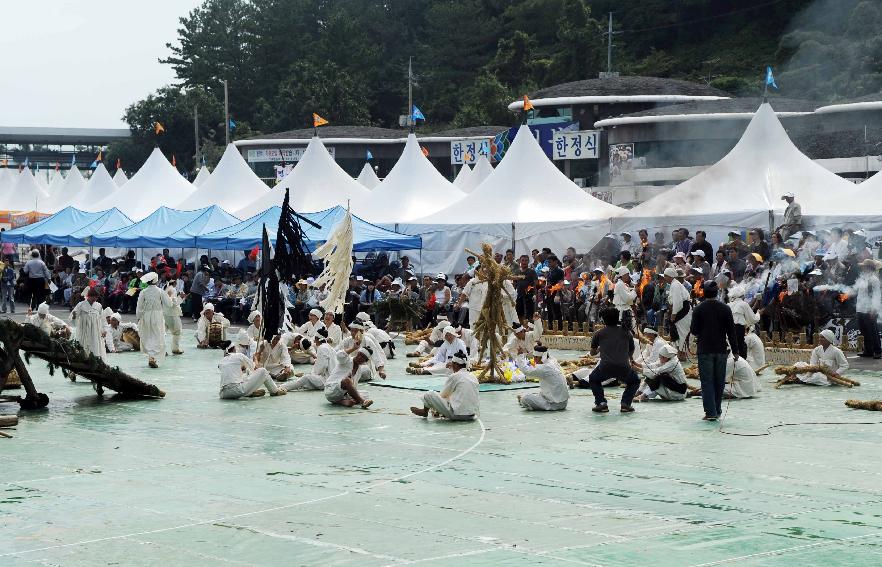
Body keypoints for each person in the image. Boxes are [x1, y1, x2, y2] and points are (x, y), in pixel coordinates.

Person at [690, 280, 739, 421]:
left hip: (705, 350)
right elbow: (732, 332)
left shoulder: (698, 309)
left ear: (704, 292)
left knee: (707, 382)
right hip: (721, 350)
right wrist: (736, 351)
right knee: (719, 381)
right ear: (716, 292)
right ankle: (717, 410)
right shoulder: (725, 308)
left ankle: (710, 412)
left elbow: (694, 330)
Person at [584, 307, 640, 413]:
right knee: (635, 381)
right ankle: (626, 404)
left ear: (603, 320)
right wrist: (628, 358)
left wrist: (601, 348)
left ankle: (601, 403)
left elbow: (592, 353)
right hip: (624, 367)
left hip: (605, 367)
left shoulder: (599, 333)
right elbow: (631, 350)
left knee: (593, 379)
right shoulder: (627, 332)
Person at [410, 349, 479, 420]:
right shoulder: (473, 377)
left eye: (452, 363)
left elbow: (443, 395)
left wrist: (436, 409)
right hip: (472, 415)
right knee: (453, 396)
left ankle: (424, 412)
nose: (451, 365)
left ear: (456, 364)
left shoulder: (455, 376)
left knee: (429, 394)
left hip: (457, 414)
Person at [136, 272, 172, 368]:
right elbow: (169, 304)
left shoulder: (143, 292)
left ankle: (151, 357)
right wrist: (170, 296)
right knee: (157, 336)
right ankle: (152, 357)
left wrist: (138, 317)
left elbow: (139, 307)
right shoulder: (160, 291)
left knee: (148, 336)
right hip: (157, 316)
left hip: (146, 316)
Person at [218, 349, 287, 400]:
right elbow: (256, 368)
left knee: (246, 373)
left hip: (223, 394)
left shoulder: (221, 361)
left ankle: (250, 392)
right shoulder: (239, 355)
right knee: (263, 371)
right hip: (237, 390)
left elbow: (233, 373)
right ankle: (275, 391)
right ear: (234, 349)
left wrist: (243, 369)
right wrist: (256, 358)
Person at [518, 345, 569, 411]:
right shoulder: (553, 361)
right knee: (538, 394)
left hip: (554, 405)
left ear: (541, 357)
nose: (534, 359)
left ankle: (523, 400)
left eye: (536, 357)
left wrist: (519, 356)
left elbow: (526, 371)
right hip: (564, 403)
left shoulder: (544, 368)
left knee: (525, 399)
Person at [853, 259, 881, 359]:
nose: (862, 268)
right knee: (864, 330)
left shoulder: (874, 280)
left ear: (869, 268)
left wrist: (874, 309)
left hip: (869, 309)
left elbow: (877, 295)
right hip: (860, 308)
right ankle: (868, 350)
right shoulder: (863, 278)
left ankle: (877, 350)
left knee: (873, 330)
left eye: (864, 267)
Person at [71, 287, 106, 363]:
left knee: (95, 345)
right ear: (89, 296)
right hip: (84, 330)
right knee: (84, 345)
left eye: (96, 297)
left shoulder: (98, 306)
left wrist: (104, 330)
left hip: (95, 331)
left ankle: (95, 360)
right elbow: (73, 319)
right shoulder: (81, 305)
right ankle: (84, 359)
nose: (95, 299)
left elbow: (102, 319)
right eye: (93, 296)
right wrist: (74, 316)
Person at [665, 267, 692, 357]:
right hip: (680, 309)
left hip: (682, 310)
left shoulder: (675, 285)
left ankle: (682, 354)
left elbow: (678, 302)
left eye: (665, 276)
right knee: (678, 331)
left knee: (682, 332)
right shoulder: (674, 284)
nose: (665, 278)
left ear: (670, 276)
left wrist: (674, 314)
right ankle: (679, 353)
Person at [727, 284, 760, 358]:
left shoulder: (729, 305)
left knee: (732, 348)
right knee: (741, 348)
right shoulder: (743, 304)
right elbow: (753, 319)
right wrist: (758, 314)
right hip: (738, 329)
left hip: (728, 330)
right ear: (742, 296)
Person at [163, 281, 185, 355]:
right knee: (177, 332)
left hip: (165, 313)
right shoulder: (172, 289)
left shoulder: (165, 288)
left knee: (163, 332)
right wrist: (181, 298)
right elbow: (173, 303)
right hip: (172, 314)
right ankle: (175, 349)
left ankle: (161, 350)